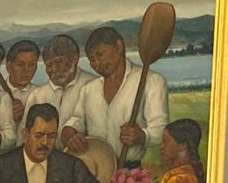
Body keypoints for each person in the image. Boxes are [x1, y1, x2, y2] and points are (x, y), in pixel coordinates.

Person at [62, 27, 169, 167]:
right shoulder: (89, 89)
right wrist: (70, 136)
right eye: (92, 60)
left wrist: (141, 136)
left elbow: (161, 129)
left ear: (119, 46)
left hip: (129, 171)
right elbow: (74, 122)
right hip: (94, 169)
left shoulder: (151, 81)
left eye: (100, 54)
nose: (96, 64)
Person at [26, 34, 95, 137]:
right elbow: (24, 136)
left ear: (75, 58)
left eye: (59, 62)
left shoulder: (93, 86)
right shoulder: (37, 95)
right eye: (49, 65)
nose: (54, 69)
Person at [4, 39, 40, 123]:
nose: (26, 70)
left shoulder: (41, 93)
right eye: (20, 65)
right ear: (9, 67)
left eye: (32, 65)